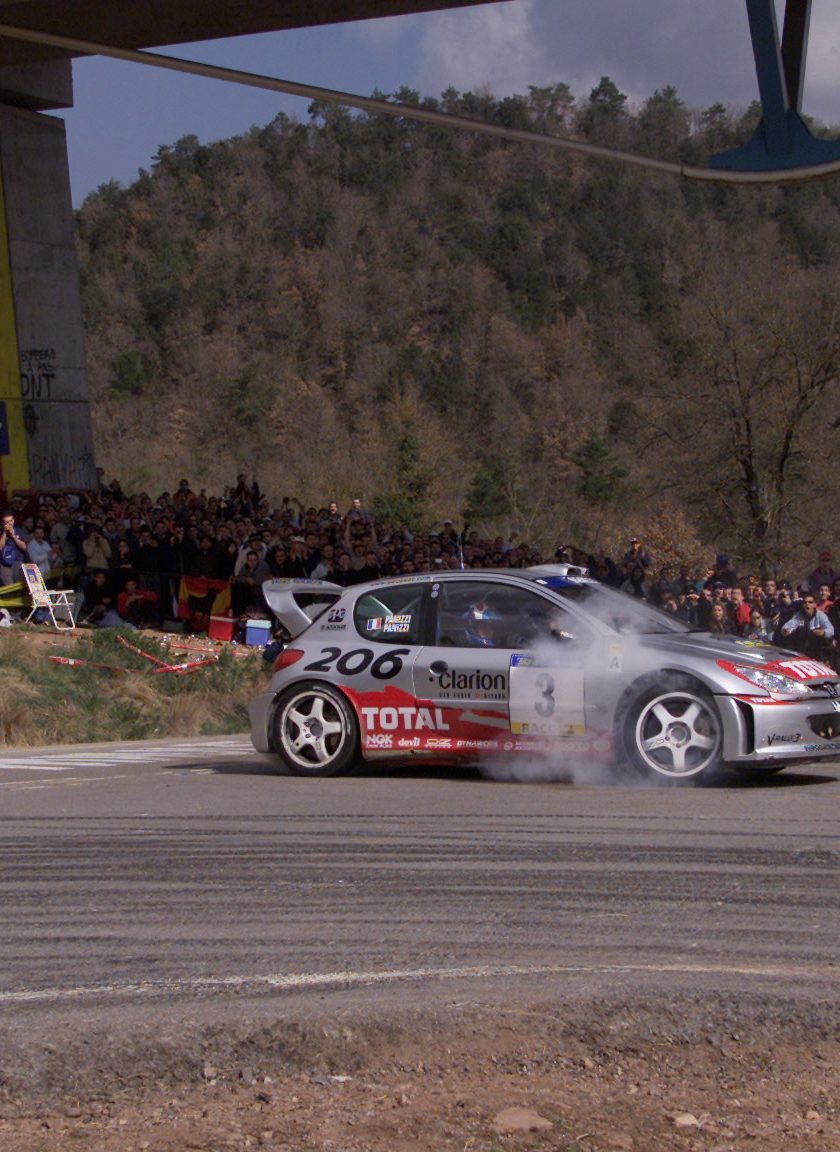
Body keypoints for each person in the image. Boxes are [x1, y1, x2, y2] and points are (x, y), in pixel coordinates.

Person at [780, 593, 835, 658]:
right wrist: (785, 630)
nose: (807, 604)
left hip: (818, 651)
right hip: (801, 650)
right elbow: (789, 625)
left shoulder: (821, 616)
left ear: (814, 605)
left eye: (810, 602)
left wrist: (823, 632)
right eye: (805, 602)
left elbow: (831, 630)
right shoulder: (799, 615)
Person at [0, 511, 27, 585]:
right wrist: (5, 533)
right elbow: (0, 547)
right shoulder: (1, 532)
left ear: (14, 521)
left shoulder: (19, 531)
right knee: (9, 587)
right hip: (5, 565)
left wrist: (14, 536)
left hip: (18, 562)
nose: (9, 524)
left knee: (20, 586)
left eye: (10, 521)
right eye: (6, 522)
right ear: (3, 523)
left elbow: (24, 547)